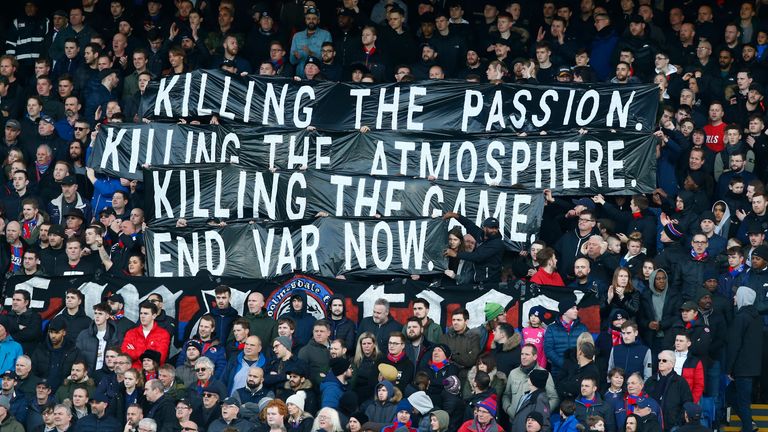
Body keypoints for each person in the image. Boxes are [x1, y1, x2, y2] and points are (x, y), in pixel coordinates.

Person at [726, 286, 763, 432]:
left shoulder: (741, 318)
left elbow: (734, 345)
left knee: (742, 401)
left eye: (736, 295)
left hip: (741, 368)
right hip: (753, 367)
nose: (734, 298)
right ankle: (749, 423)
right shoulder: (757, 318)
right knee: (731, 394)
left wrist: (729, 368)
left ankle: (748, 427)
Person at [442, 213, 505, 284]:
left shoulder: (497, 243)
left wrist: (456, 254)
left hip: (490, 282)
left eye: (496, 228)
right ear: (484, 228)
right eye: (491, 228)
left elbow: (477, 256)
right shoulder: (480, 235)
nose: (494, 230)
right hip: (479, 281)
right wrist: (454, 215)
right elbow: (468, 224)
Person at [644, 351, 693, 431]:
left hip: (673, 426)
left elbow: (687, 404)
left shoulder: (680, 382)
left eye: (664, 360)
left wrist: (678, 422)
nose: (660, 362)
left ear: (672, 364)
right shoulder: (651, 381)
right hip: (651, 425)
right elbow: (643, 400)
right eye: (659, 360)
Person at [544, 298, 588, 379]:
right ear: (564, 311)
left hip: (578, 371)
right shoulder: (551, 329)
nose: (576, 311)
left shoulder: (582, 328)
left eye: (576, 308)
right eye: (573, 308)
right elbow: (548, 350)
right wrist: (563, 364)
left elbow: (587, 348)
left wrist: (578, 364)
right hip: (558, 371)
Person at [121, 301, 171, 369]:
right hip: (133, 374)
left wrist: (135, 351)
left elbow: (160, 358)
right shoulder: (131, 333)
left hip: (152, 374)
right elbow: (124, 356)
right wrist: (148, 354)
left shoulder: (163, 334)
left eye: (146, 313)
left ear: (154, 316)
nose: (142, 316)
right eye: (141, 313)